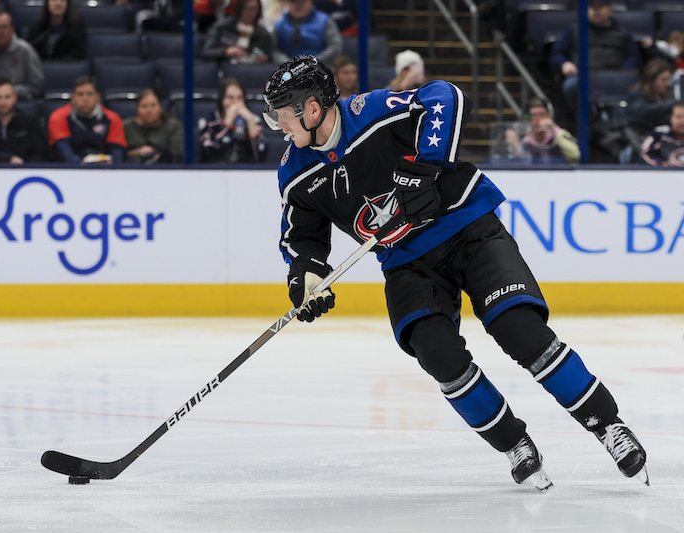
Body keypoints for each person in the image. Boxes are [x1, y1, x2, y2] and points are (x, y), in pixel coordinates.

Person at [261, 54, 648, 490]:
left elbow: (444, 96)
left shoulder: (368, 112)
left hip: (467, 227)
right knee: (438, 355)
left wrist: (425, 166)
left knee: (520, 331)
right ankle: (514, 444)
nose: (276, 124)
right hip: (406, 261)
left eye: (280, 114)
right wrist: (306, 274)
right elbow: (301, 237)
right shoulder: (294, 171)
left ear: (311, 108)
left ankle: (607, 425)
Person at [549, 0, 641, 115]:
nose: (595, 11)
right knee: (570, 86)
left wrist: (622, 72)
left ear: (610, 9)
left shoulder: (622, 32)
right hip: (583, 76)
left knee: (636, 89)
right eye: (591, 7)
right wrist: (564, 63)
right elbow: (556, 54)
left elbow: (634, 57)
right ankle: (584, 122)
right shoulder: (576, 30)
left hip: (613, 76)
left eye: (600, 7)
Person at [47, 76, 127, 164]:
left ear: (98, 97)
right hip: (70, 169)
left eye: (89, 94)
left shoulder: (112, 118)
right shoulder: (59, 116)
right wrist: (81, 166)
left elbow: (117, 149)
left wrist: (110, 164)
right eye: (80, 94)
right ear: (73, 97)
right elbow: (62, 149)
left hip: (104, 168)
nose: (85, 99)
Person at [0, 79, 47, 163]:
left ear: (15, 97)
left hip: (23, 171)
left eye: (7, 97)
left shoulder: (28, 121)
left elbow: (40, 152)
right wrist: (7, 159)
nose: (3, 102)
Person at [198, 76, 267, 163]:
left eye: (239, 98)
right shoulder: (208, 120)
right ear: (221, 99)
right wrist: (227, 123)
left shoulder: (253, 119)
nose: (235, 102)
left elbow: (261, 156)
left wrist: (250, 121)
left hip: (247, 172)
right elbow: (211, 154)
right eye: (230, 97)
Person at [503, 98, 580, 164]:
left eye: (542, 114)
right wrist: (515, 148)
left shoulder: (558, 137)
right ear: (528, 118)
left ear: (549, 116)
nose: (538, 119)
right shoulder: (524, 142)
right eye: (534, 115)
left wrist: (554, 128)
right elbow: (521, 166)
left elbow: (576, 155)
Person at [201, 0, 274, 64]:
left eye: (253, 9)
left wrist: (261, 59)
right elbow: (205, 52)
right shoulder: (223, 26)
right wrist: (225, 52)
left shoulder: (263, 34)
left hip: (251, 70)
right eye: (246, 8)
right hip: (224, 67)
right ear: (239, 8)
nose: (249, 12)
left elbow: (270, 57)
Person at [123, 89, 184, 164]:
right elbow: (116, 155)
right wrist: (136, 152)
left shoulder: (173, 126)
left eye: (153, 106)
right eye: (144, 106)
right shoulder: (126, 126)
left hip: (164, 169)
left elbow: (177, 154)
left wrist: (158, 157)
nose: (149, 111)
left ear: (160, 108)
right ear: (137, 109)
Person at [625, 58, 676, 145]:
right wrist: (673, 104)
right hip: (641, 137)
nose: (667, 84)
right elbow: (642, 112)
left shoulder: (665, 95)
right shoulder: (637, 93)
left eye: (668, 80)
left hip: (662, 138)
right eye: (663, 80)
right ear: (652, 79)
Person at [273, 0, 341, 65]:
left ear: (311, 2)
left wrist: (314, 61)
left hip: (320, 67)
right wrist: (284, 60)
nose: (298, 6)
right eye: (294, 2)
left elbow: (335, 47)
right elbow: (273, 50)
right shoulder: (280, 24)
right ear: (288, 3)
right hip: (289, 69)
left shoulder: (324, 21)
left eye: (302, 1)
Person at [638, 99, 684, 167]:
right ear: (671, 118)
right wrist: (663, 166)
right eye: (678, 117)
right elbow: (644, 155)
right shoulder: (658, 135)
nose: (682, 121)